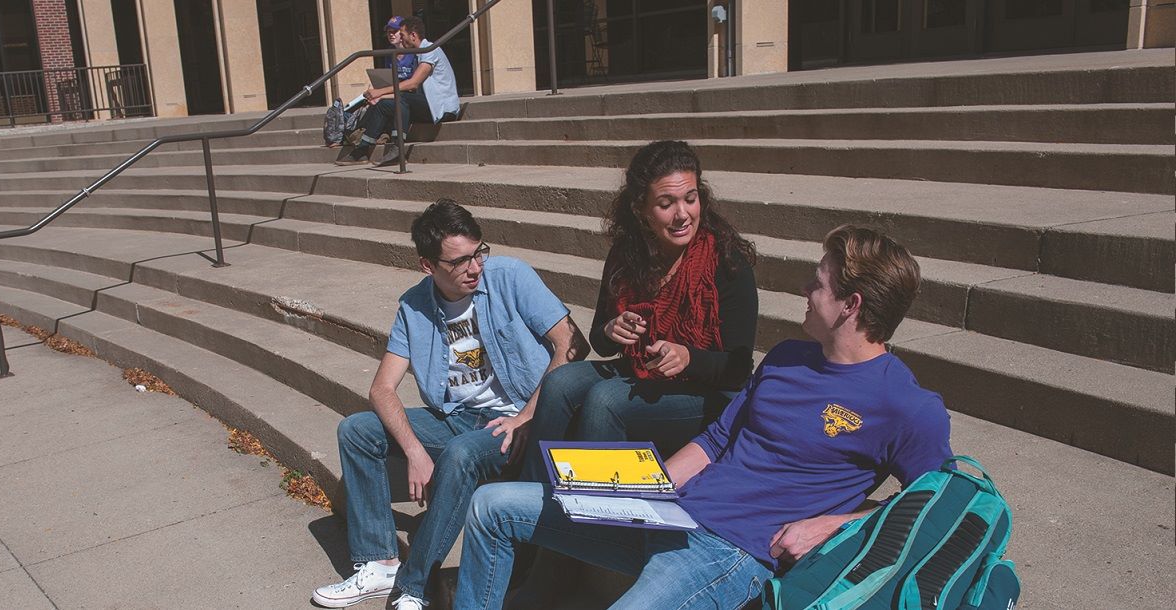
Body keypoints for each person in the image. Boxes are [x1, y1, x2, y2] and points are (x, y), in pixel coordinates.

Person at [455, 225, 954, 610]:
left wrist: (832, 526)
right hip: (670, 511)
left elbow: (940, 508)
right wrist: (644, 488)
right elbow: (717, 439)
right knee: (491, 506)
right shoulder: (785, 356)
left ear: (851, 305)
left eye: (818, 282)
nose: (806, 287)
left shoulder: (908, 406)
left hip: (730, 553)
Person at [312, 200, 589, 610]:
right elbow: (382, 390)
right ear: (429, 266)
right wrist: (415, 451)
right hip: (456, 419)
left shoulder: (510, 276)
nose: (474, 268)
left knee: (460, 455)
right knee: (356, 431)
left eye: (478, 253)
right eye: (459, 262)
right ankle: (379, 562)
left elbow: (571, 343)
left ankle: (414, 587)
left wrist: (526, 416)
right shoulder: (414, 306)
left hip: (515, 420)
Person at [519, 140, 757, 482]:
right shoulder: (626, 254)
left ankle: (596, 517)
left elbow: (738, 369)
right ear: (641, 209)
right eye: (666, 203)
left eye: (690, 199)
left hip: (707, 393)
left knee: (606, 399)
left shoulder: (727, 262)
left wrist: (689, 357)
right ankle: (532, 498)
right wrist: (612, 328)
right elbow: (601, 341)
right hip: (643, 373)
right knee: (560, 382)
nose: (682, 214)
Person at [337, 16, 461, 167]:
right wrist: (381, 96)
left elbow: (413, 84)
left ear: (413, 35)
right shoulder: (419, 53)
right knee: (383, 105)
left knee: (400, 100)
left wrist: (380, 92)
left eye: (402, 35)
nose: (400, 39)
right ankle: (361, 150)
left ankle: (398, 149)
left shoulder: (430, 50)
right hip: (429, 104)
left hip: (443, 108)